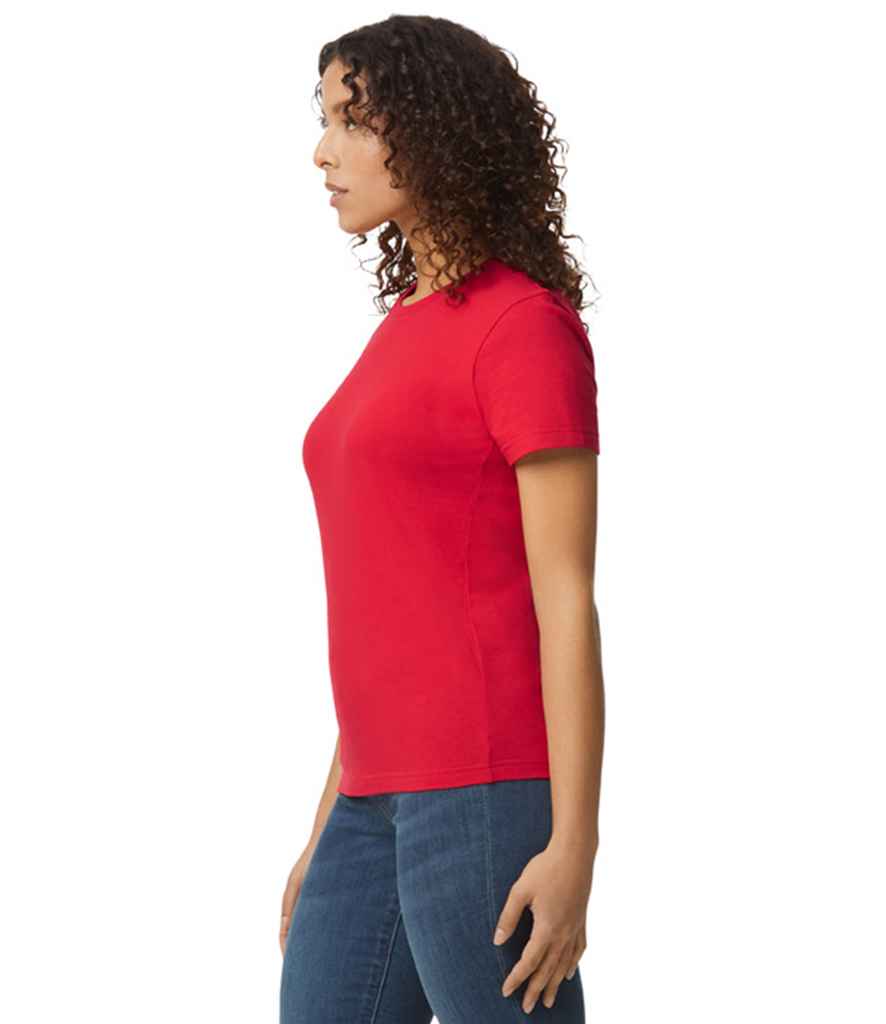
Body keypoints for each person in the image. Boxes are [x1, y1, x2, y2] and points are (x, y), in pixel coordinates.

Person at [279, 15, 604, 1023]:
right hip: (369, 798)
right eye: (324, 119)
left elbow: (566, 599)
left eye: (353, 119)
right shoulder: (405, 330)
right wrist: (330, 818)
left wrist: (574, 846)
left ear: (434, 129)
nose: (323, 149)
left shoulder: (522, 328)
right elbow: (395, 605)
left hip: (481, 792)